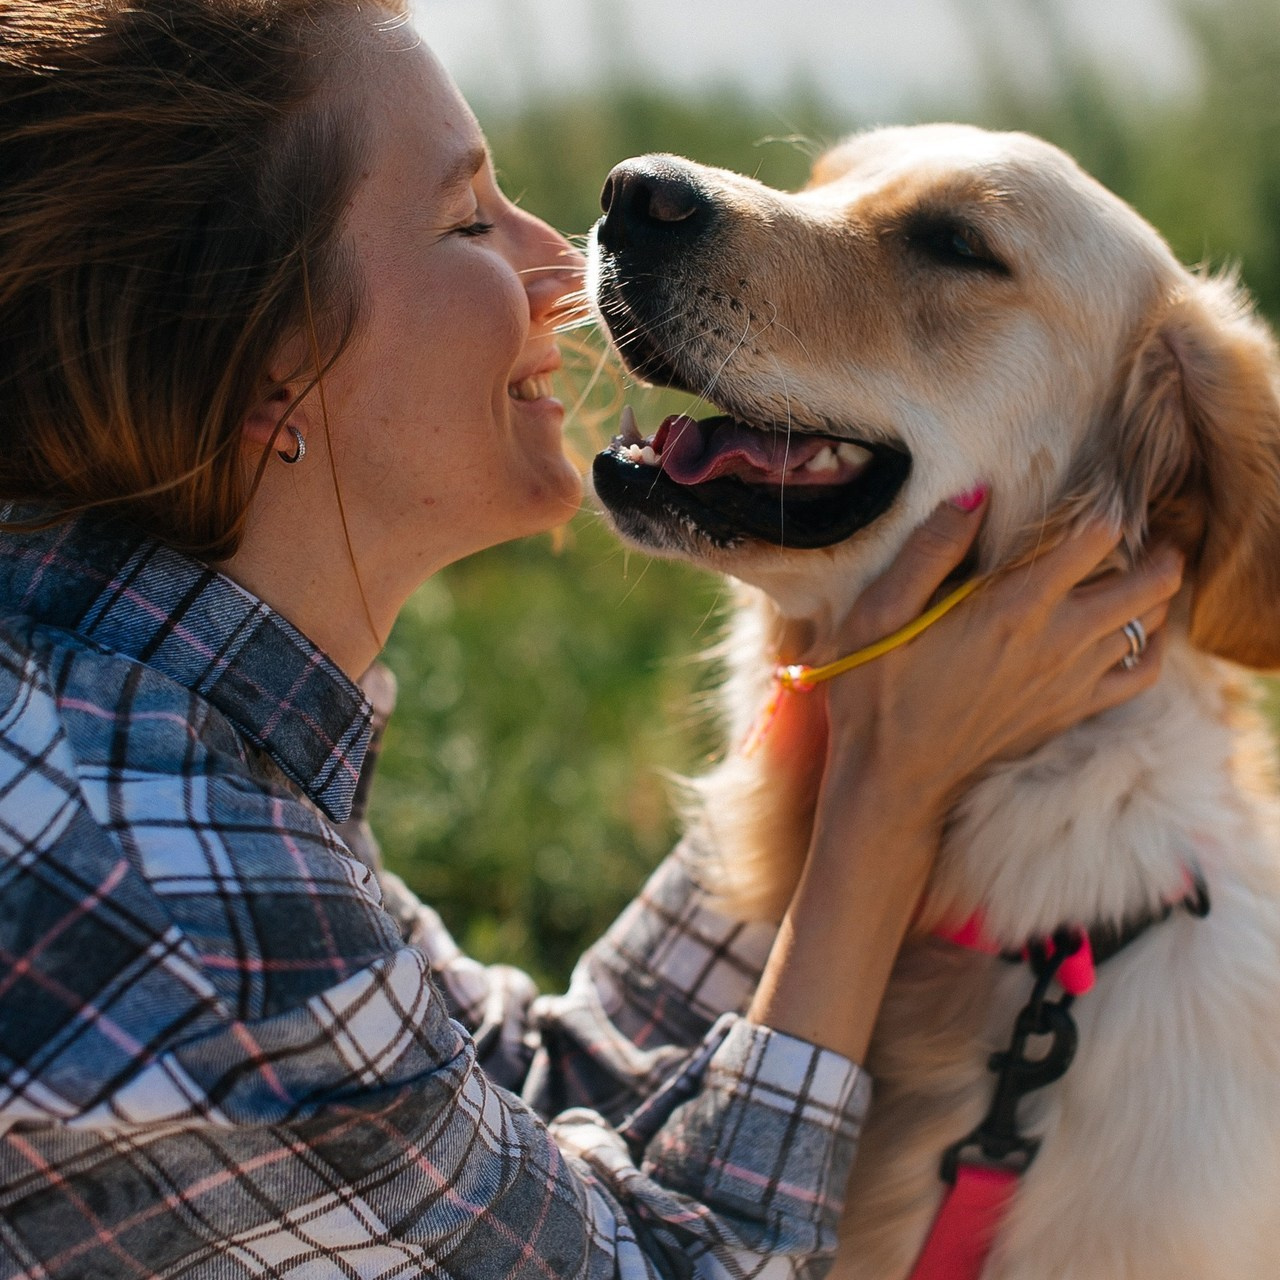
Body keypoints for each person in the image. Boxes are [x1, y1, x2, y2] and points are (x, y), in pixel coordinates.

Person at [0, 2, 1183, 1276]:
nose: (559, 267)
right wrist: (881, 805)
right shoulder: (159, 879)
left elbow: (512, 1102)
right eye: (466, 222)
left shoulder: (147, 721)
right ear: (263, 356)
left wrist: (838, 715)